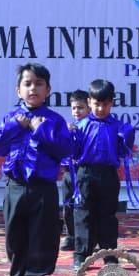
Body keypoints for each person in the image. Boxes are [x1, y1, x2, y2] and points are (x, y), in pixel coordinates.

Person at [0, 62, 71, 276]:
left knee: (42, 234)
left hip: (42, 187)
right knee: (14, 233)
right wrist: (15, 126)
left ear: (48, 90)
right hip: (15, 185)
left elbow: (65, 150)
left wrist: (41, 130)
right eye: (27, 84)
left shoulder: (54, 120)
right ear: (18, 90)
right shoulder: (11, 117)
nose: (33, 88)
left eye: (39, 84)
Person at [70, 79, 136, 267]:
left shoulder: (118, 127)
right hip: (85, 173)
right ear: (89, 102)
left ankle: (110, 255)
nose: (100, 109)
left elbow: (124, 152)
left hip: (108, 174)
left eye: (105, 104)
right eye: (97, 104)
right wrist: (70, 136)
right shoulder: (81, 126)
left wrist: (128, 137)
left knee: (107, 215)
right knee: (83, 214)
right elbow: (73, 153)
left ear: (112, 103)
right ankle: (82, 255)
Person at [60, 89, 90, 251]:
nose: (76, 111)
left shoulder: (91, 127)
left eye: (80, 108)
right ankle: (71, 235)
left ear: (89, 107)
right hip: (68, 172)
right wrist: (66, 134)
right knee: (68, 204)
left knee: (84, 206)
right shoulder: (68, 127)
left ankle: (86, 238)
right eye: (74, 108)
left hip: (83, 172)